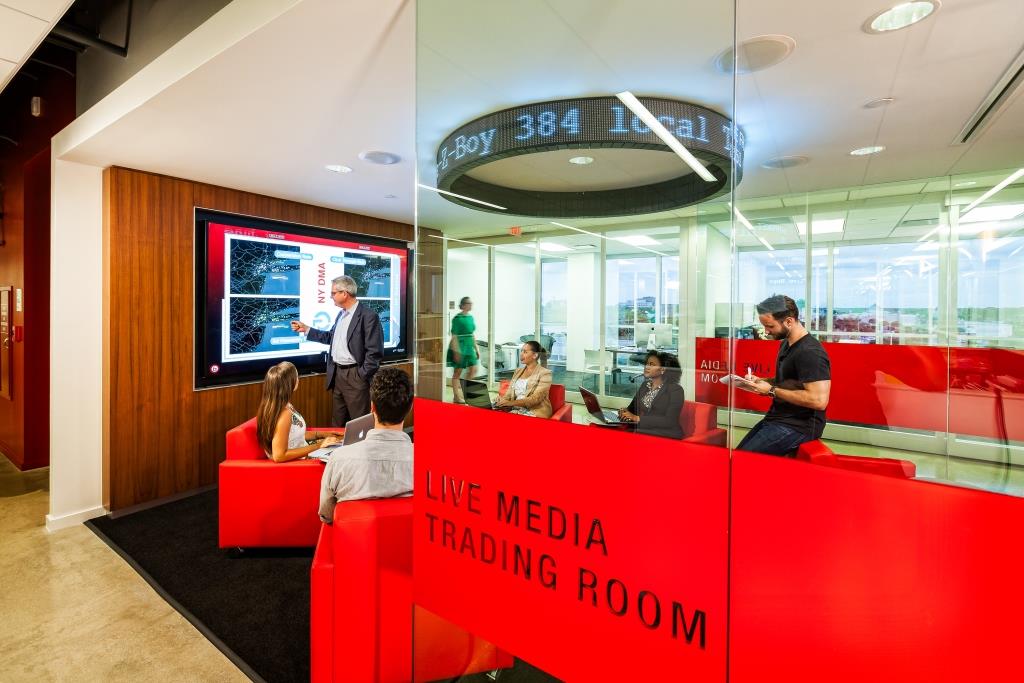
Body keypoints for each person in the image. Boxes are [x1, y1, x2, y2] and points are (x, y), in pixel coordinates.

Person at [738, 294, 831, 456]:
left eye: (770, 326)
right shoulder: (786, 344)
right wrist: (762, 382)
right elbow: (790, 381)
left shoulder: (810, 352)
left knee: (742, 460)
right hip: (779, 418)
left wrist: (771, 390)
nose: (766, 331)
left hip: (799, 426)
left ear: (789, 321)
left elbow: (819, 400)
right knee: (738, 455)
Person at [318, 367, 414, 523]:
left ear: (372, 407)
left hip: (352, 545)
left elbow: (326, 515)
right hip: (409, 545)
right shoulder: (427, 464)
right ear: (410, 408)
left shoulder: (339, 459)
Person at [291, 275, 384, 427]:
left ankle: (359, 451)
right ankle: (338, 451)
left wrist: (361, 376)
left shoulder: (368, 316)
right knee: (338, 423)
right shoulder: (341, 315)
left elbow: (375, 352)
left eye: (334, 293)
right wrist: (307, 330)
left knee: (358, 424)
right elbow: (331, 338)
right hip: (337, 374)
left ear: (345, 293)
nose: (330, 296)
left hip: (355, 376)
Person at [256, 361, 342, 463]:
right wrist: (320, 445)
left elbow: (293, 436)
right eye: (297, 377)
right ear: (290, 383)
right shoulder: (284, 414)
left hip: (303, 454)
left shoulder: (281, 406)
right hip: (299, 464)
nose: (298, 380)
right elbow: (279, 456)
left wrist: (322, 435)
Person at [618, 351, 685, 439]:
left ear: (662, 370)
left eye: (652, 365)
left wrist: (637, 418)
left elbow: (669, 421)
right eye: (646, 364)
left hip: (666, 434)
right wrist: (624, 412)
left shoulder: (675, 390)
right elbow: (632, 408)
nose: (646, 367)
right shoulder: (645, 385)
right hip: (644, 430)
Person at [495, 340, 552, 418]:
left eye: (525, 352)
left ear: (534, 355)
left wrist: (510, 403)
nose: (521, 354)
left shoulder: (545, 373)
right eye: (521, 351)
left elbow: (535, 399)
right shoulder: (518, 371)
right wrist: (501, 400)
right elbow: (509, 393)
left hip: (535, 411)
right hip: (516, 409)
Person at [447, 296, 479, 404]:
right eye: (469, 303)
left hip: (469, 346)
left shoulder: (470, 317)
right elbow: (454, 336)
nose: (471, 305)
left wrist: (477, 348)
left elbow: (472, 334)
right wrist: (456, 351)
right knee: (457, 372)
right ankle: (456, 397)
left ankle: (465, 392)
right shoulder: (457, 319)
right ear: (464, 305)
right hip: (460, 346)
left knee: (473, 369)